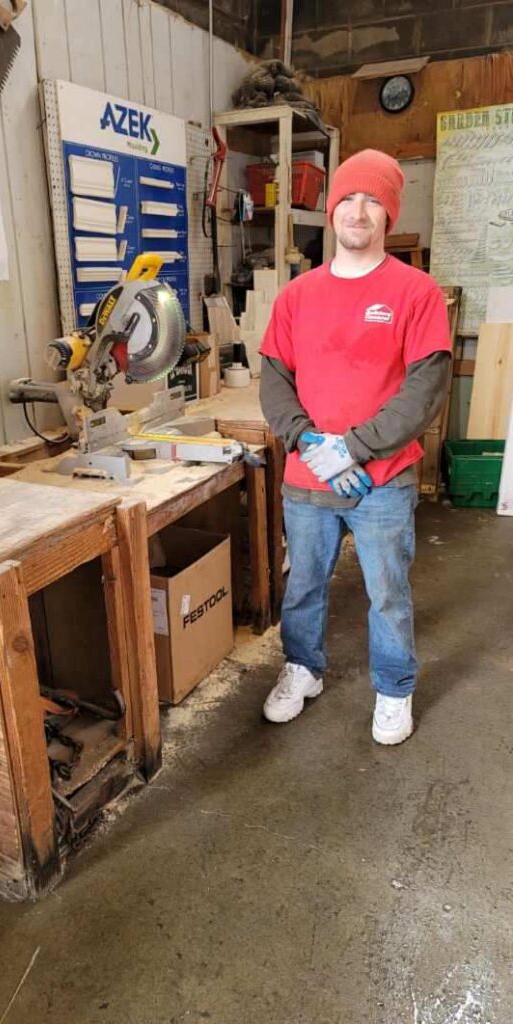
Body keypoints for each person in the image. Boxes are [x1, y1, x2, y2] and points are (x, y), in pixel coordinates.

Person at [259, 148, 452, 744]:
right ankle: (303, 668)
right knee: (305, 584)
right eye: (348, 197)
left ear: (389, 213)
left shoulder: (416, 293)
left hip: (383, 481)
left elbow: (425, 387)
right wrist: (306, 439)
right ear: (332, 206)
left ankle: (394, 689)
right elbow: (274, 377)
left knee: (387, 590)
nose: (359, 210)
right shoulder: (296, 296)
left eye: (374, 199)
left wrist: (356, 448)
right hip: (309, 476)